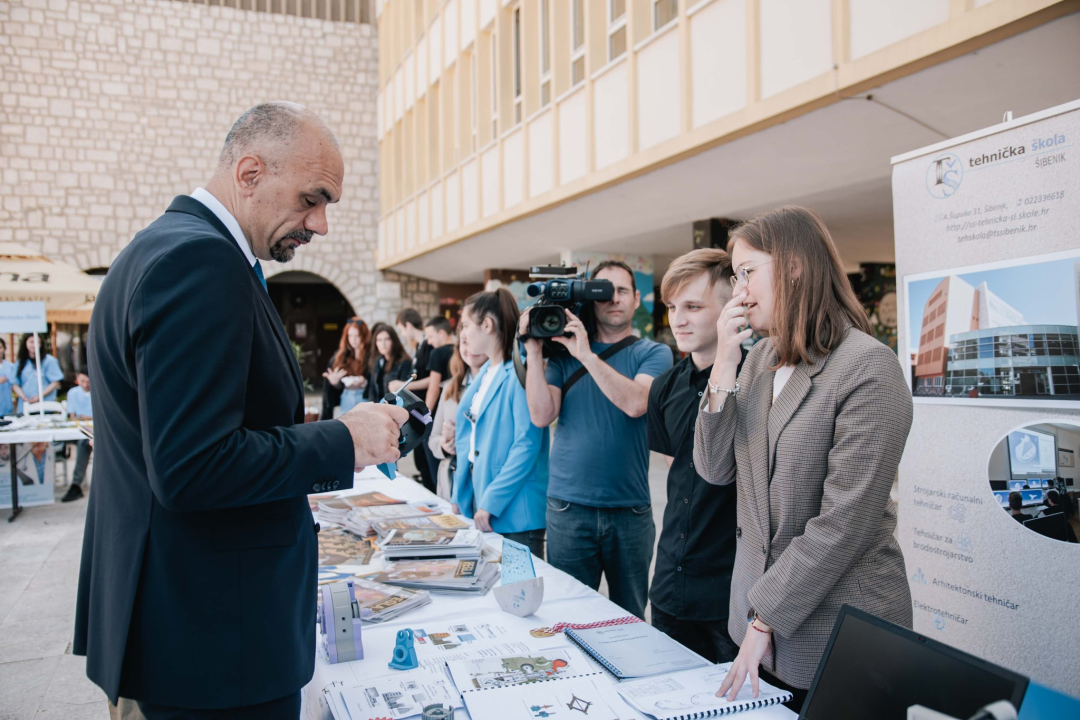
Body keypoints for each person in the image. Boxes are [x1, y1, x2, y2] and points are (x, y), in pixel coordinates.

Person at [73, 102, 408, 719]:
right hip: (213, 642)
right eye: (313, 199)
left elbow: (200, 429)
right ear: (249, 172)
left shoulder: (163, 248)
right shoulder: (199, 262)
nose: (322, 224)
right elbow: (194, 466)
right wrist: (344, 439)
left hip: (181, 624)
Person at [695, 206, 913, 710]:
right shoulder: (758, 361)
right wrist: (724, 364)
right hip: (757, 625)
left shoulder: (867, 369)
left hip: (838, 629)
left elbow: (842, 524)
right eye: (735, 276)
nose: (739, 291)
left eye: (748, 273)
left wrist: (763, 619)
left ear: (794, 266)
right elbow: (713, 468)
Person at [521, 260, 672, 618]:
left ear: (637, 299)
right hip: (569, 509)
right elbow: (541, 415)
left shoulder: (653, 353)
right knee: (569, 615)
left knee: (630, 616)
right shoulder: (562, 354)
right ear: (590, 298)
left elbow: (637, 403)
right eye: (603, 291)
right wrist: (533, 350)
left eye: (621, 291)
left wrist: (586, 354)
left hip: (630, 511)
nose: (613, 299)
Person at [647, 249, 744, 664]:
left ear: (732, 307)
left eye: (693, 306)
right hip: (670, 585)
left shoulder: (762, 380)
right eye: (672, 307)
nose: (678, 319)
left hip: (732, 595)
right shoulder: (665, 386)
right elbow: (676, 474)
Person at [454, 289, 549, 558]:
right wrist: (459, 495)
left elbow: (527, 444)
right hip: (485, 503)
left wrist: (491, 502)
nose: (463, 334)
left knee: (520, 595)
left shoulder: (518, 373)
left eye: (466, 325)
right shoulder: (487, 371)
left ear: (487, 324)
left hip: (514, 512)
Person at [430, 334, 487, 501]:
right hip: (451, 482)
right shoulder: (449, 387)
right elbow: (433, 439)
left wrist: (463, 437)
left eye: (475, 340)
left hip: (483, 483)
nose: (470, 348)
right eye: (464, 342)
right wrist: (444, 445)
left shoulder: (500, 386)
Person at [323, 318, 370, 414]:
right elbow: (338, 387)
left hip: (365, 397)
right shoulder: (343, 355)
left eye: (357, 336)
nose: (353, 340)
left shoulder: (371, 355)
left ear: (364, 336)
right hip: (346, 397)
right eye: (350, 336)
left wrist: (365, 381)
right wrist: (335, 382)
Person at [61, 372, 93, 503]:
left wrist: (89, 417)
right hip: (78, 428)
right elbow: (72, 415)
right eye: (82, 381)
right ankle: (76, 483)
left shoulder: (98, 390)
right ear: (77, 381)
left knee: (83, 444)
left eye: (88, 381)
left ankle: (76, 484)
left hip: (93, 430)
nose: (86, 385)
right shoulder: (73, 393)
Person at [12, 334, 64, 414]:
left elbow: (55, 382)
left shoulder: (49, 361)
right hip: (25, 406)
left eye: (37, 342)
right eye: (31, 342)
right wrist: (23, 397)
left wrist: (39, 397)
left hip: (44, 406)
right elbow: (15, 383)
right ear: (25, 343)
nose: (34, 345)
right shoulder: (20, 362)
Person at [366, 323, 412, 400]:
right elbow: (372, 389)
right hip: (378, 408)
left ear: (393, 341)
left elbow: (404, 394)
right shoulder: (377, 361)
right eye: (379, 340)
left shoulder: (404, 362)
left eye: (387, 339)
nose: (383, 344)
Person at [0, 338, 17, 417]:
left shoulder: (11, 367)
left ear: (4, 349)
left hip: (7, 409)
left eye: (0, 347)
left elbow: (15, 385)